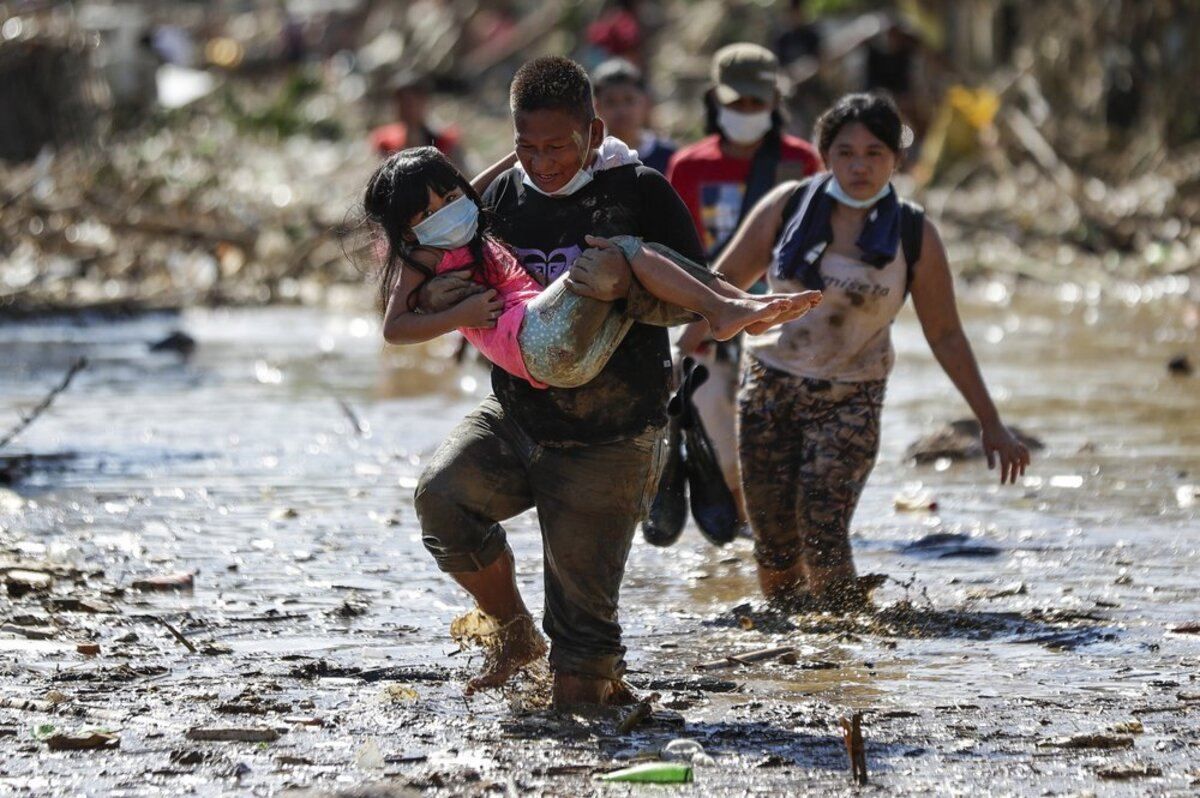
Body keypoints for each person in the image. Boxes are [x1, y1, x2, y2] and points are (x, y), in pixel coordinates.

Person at [408, 56, 732, 708]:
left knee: (580, 689)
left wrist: (627, 289)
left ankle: (594, 673)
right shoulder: (497, 201)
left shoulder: (639, 192)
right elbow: (464, 299)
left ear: (593, 131)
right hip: (519, 420)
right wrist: (445, 295)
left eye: (558, 146)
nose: (542, 161)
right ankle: (516, 632)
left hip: (609, 438)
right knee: (441, 499)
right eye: (527, 146)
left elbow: (697, 302)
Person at [679, 93, 1031, 609]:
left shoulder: (915, 234)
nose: (859, 165)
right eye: (845, 152)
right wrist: (680, 357)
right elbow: (722, 285)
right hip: (769, 390)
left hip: (852, 399)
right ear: (825, 155)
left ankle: (843, 637)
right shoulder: (787, 207)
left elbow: (947, 334)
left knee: (823, 525)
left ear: (896, 159)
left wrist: (990, 422)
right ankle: (792, 640)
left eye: (873, 153)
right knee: (774, 541)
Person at [363, 146, 818, 387]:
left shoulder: (462, 220)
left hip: (561, 357)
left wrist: (516, 153)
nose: (445, 211)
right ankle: (723, 309)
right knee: (621, 248)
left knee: (630, 286)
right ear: (406, 229)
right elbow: (394, 329)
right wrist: (457, 318)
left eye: (449, 198)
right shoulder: (422, 254)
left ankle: (734, 304)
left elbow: (473, 188)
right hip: (536, 337)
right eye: (427, 213)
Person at [666, 42, 822, 519]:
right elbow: (677, 250)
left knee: (780, 428)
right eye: (738, 103)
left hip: (782, 315)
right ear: (715, 99)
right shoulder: (689, 167)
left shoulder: (803, 163)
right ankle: (738, 521)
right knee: (712, 415)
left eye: (758, 102)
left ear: (776, 101)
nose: (747, 112)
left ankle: (774, 521)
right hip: (708, 315)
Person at [591, 58, 676, 174]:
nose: (622, 110)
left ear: (646, 102)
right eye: (610, 102)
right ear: (597, 107)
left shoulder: (668, 155)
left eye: (629, 100)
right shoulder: (590, 158)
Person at [369, 70, 467, 168]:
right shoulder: (385, 142)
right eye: (400, 102)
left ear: (424, 102)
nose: (406, 109)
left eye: (410, 103)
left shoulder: (445, 141)